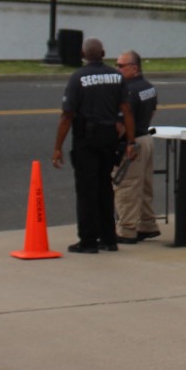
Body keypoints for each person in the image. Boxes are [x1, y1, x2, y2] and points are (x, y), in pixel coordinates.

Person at [52, 37, 135, 254]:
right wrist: (130, 142)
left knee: (87, 190)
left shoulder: (78, 77)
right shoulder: (117, 76)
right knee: (105, 187)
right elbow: (126, 110)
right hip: (109, 138)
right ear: (104, 54)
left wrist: (58, 147)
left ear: (82, 55)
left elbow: (67, 115)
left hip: (86, 139)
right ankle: (109, 238)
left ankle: (88, 240)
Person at [113, 49, 160, 243]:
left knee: (126, 186)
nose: (117, 69)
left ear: (134, 68)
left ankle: (126, 230)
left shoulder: (128, 91)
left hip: (132, 143)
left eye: (121, 66)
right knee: (144, 186)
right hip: (146, 138)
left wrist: (116, 142)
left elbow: (122, 123)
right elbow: (152, 111)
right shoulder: (148, 87)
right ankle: (147, 224)